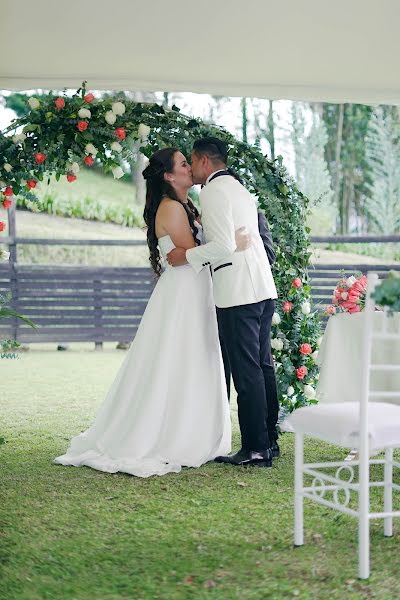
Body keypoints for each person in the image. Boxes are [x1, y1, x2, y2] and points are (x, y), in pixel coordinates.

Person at [54, 147, 249, 477]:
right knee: (180, 360)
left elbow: (195, 251)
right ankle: (175, 436)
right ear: (170, 176)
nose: (190, 168)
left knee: (192, 359)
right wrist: (233, 243)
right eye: (183, 164)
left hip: (194, 288)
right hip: (183, 294)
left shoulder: (186, 205)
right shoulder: (172, 208)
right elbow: (192, 253)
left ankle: (193, 431)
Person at [167, 137, 279, 468]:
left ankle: (256, 448)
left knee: (248, 373)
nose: (191, 167)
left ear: (203, 161)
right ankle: (269, 441)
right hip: (260, 287)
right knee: (262, 366)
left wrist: (185, 255)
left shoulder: (213, 191)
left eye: (191, 160)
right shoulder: (238, 187)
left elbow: (223, 246)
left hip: (237, 291)